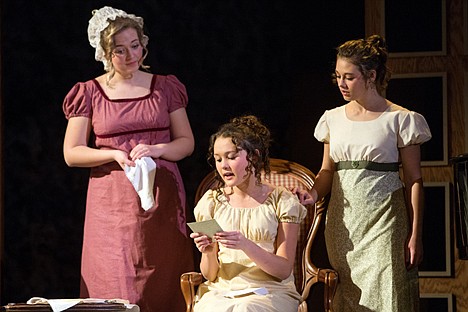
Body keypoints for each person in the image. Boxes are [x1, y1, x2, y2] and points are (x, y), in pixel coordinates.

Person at [62, 6, 194, 311]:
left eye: (135, 46)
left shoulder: (165, 88)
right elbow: (72, 153)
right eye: (120, 50)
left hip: (162, 195)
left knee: (163, 275)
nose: (131, 55)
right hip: (111, 202)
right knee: (115, 279)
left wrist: (157, 149)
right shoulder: (89, 92)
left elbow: (186, 143)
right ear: (105, 53)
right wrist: (113, 154)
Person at [295, 35, 432, 311]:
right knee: (352, 298)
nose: (341, 84)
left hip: (385, 221)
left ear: (371, 75)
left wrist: (415, 233)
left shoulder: (401, 119)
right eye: (338, 77)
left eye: (349, 77)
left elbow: (414, 179)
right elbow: (326, 171)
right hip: (343, 223)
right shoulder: (332, 119)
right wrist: (311, 193)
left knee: (387, 293)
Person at [190, 115, 307, 312]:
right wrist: (209, 253)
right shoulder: (210, 203)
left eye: (231, 156)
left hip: (270, 291)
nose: (223, 165)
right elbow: (210, 275)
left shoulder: (282, 201)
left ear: (253, 156)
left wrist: (245, 244)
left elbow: (283, 270)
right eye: (218, 159)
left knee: (247, 309)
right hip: (223, 291)